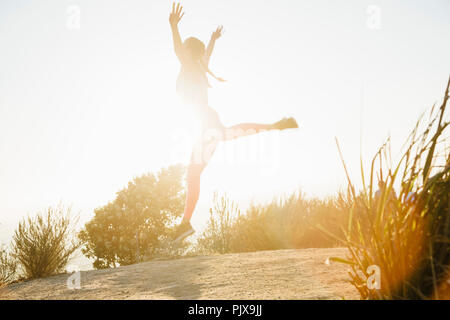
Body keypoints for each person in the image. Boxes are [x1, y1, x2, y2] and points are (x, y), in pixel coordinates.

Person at [170, 3, 299, 242]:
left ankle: (185, 224)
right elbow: (204, 54)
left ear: (188, 52)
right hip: (207, 120)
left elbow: (178, 49)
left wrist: (173, 26)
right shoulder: (198, 66)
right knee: (203, 163)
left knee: (194, 173)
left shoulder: (189, 65)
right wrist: (213, 39)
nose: (182, 51)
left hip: (204, 121)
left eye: (185, 48)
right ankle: (275, 126)